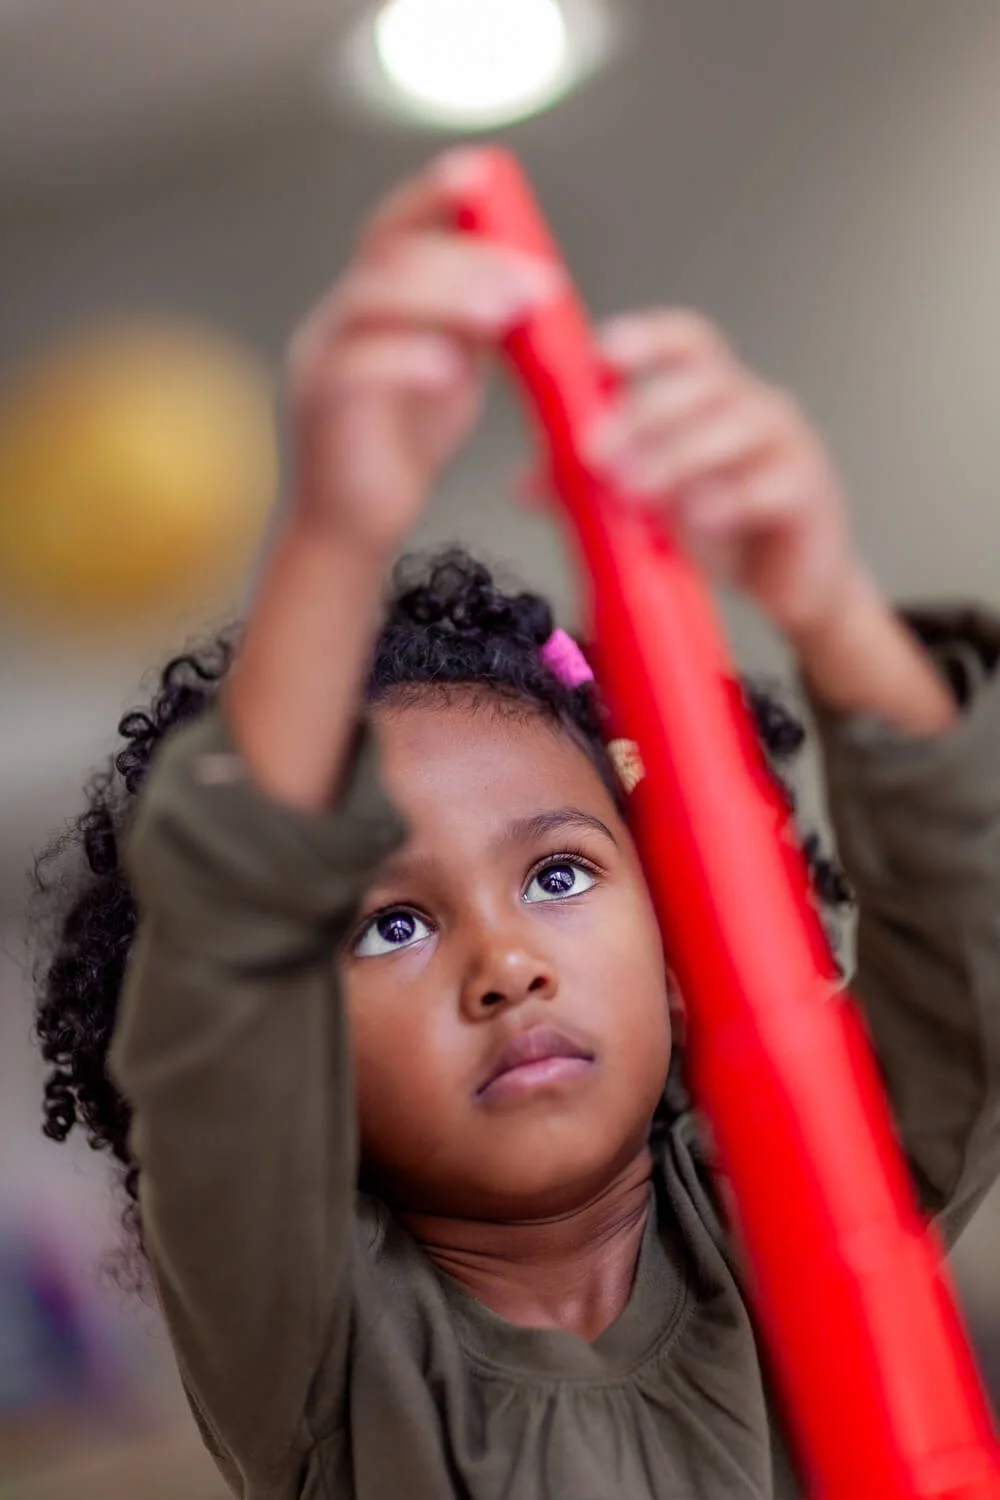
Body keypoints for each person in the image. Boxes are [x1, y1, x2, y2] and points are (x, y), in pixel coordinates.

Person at [33, 150, 1000, 1499]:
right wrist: (335, 524)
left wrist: (827, 600)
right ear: (298, 1067)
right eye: (395, 923)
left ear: (672, 930)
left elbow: (974, 942)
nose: (507, 965)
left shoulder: (819, 1201)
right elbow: (228, 954)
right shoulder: (324, 1350)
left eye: (557, 874)